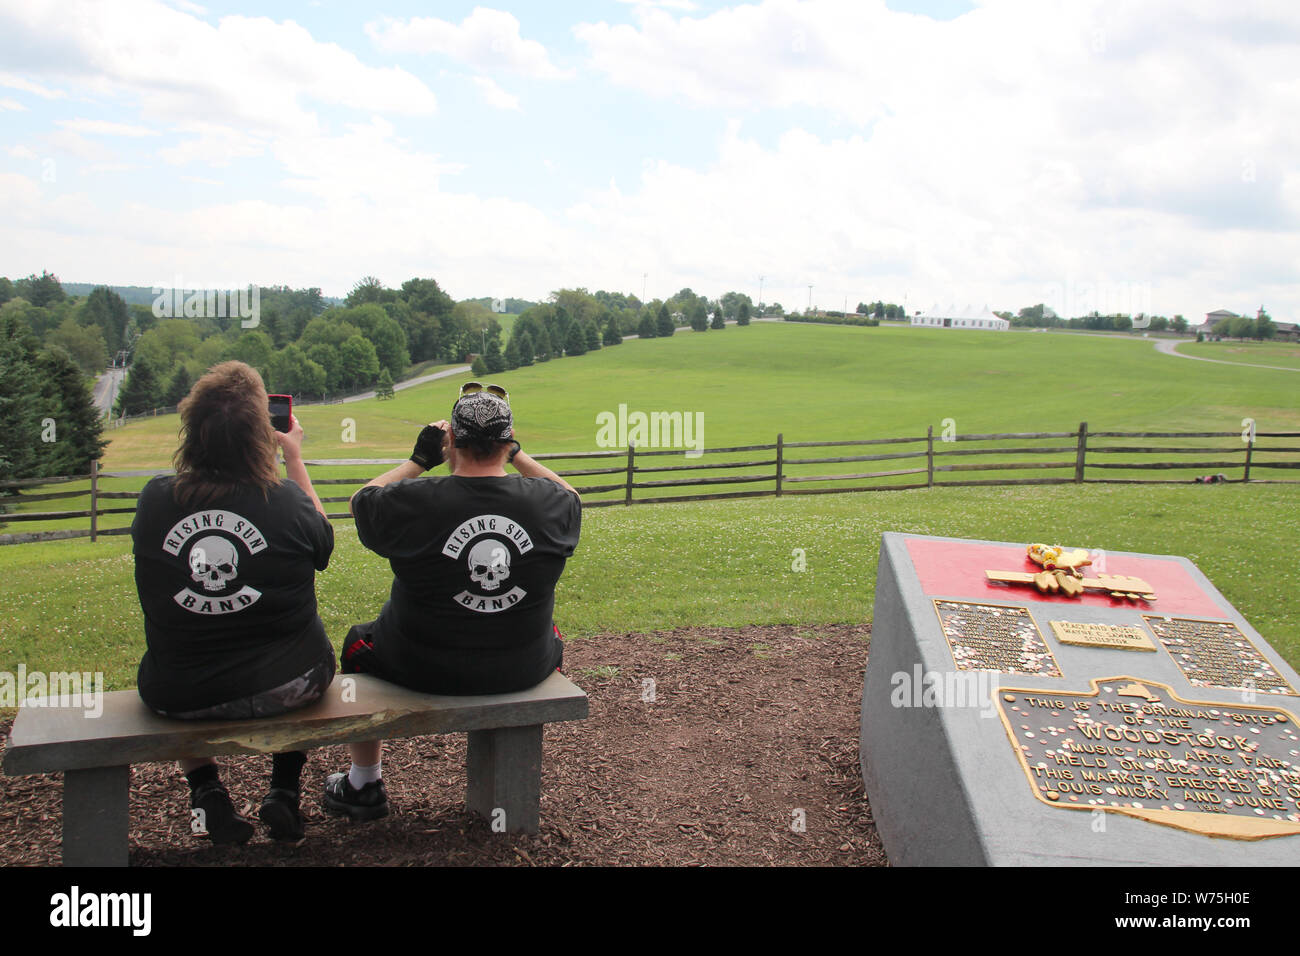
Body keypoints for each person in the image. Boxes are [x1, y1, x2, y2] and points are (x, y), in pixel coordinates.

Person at [323, 382, 581, 820]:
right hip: (523, 665)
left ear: (452, 441)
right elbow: (573, 496)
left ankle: (364, 783)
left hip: (419, 667)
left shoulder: (412, 501)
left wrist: (419, 460)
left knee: (356, 642)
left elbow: (360, 500)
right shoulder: (550, 504)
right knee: (553, 631)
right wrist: (516, 454)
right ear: (508, 441)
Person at [131, 361, 335, 844]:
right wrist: (294, 459)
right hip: (291, 684)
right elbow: (323, 542)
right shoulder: (284, 500)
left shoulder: (156, 500)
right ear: (259, 435)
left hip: (178, 692)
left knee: (172, 649)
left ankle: (206, 792)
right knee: (310, 651)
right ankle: (283, 793)